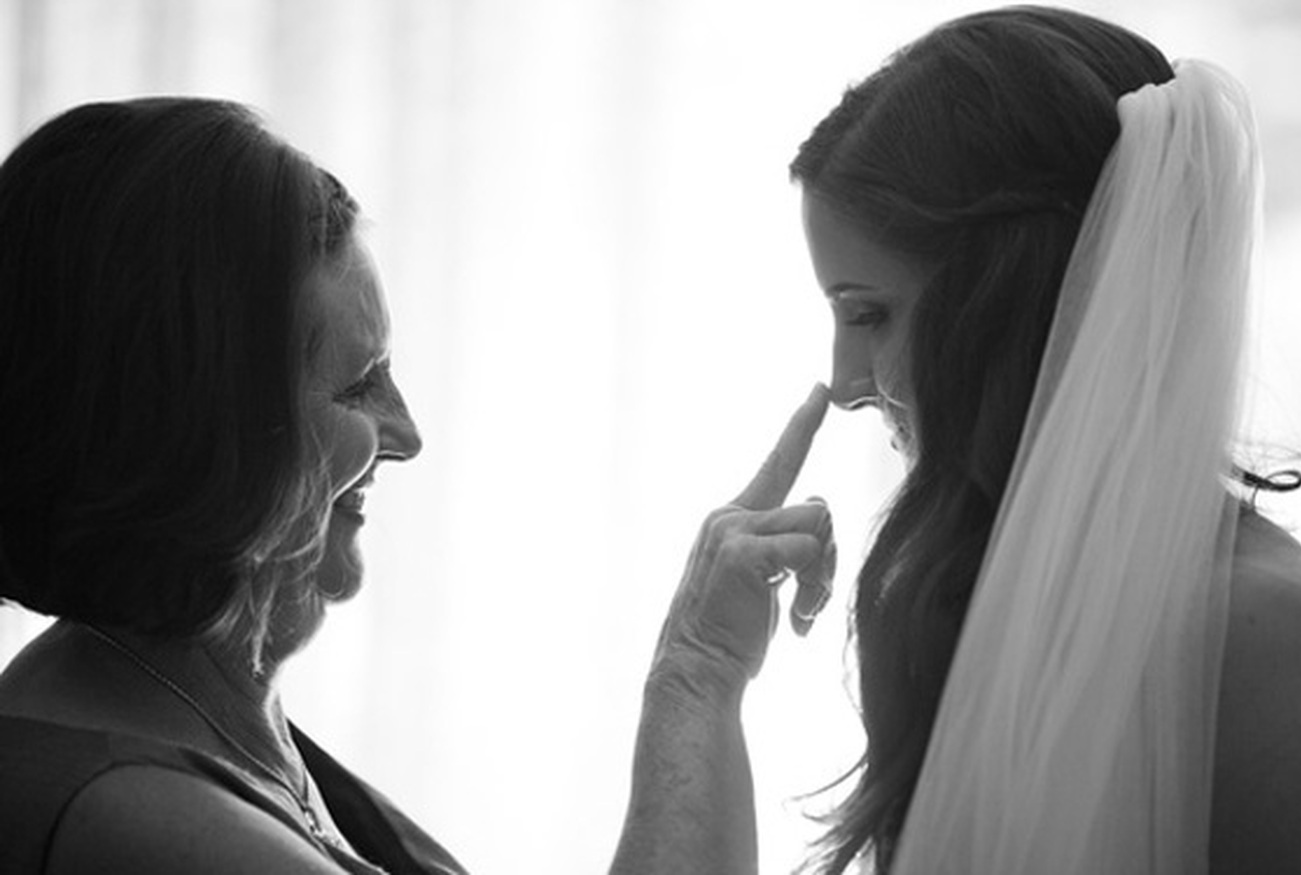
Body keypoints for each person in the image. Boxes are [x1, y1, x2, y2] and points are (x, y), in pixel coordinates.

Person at [612, 7, 1301, 875]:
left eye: (869, 314)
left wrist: (696, 670)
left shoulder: (1258, 633)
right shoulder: (949, 584)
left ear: (1010, 302)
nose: (844, 382)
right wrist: (698, 671)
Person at [0, 98, 834, 875]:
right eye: (359, 385)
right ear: (199, 433)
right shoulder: (129, 814)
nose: (407, 433)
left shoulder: (200, 712)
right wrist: (698, 668)